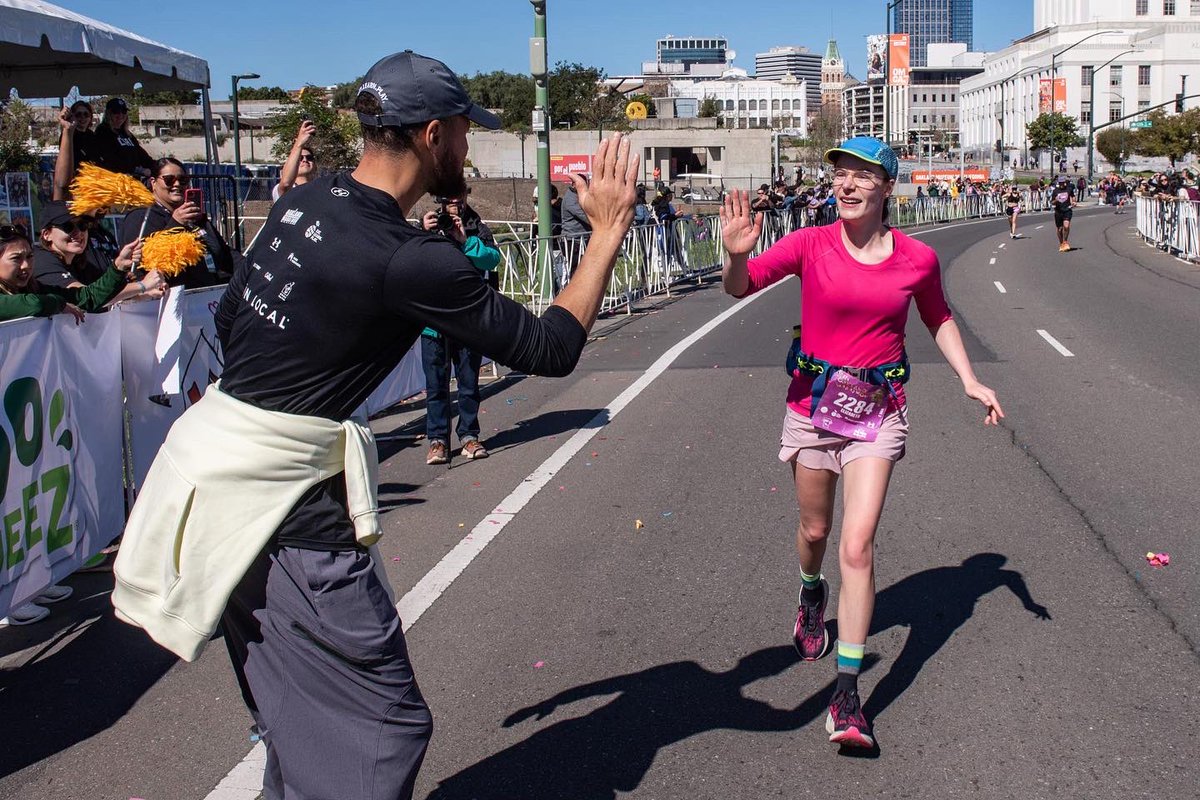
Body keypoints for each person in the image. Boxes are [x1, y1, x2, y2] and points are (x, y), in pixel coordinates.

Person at [111, 50, 639, 800]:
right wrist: (609, 232)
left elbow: (231, 316)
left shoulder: (304, 202)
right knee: (380, 734)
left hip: (207, 483)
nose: (469, 147)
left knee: (301, 723)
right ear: (431, 134)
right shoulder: (410, 258)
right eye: (464, 132)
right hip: (280, 513)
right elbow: (551, 348)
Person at [719, 136, 1003, 750]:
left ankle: (846, 698)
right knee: (817, 532)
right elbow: (740, 287)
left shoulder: (917, 260)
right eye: (840, 174)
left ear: (887, 188)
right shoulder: (811, 243)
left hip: (877, 413)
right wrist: (737, 257)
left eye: (861, 176)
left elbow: (938, 317)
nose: (846, 185)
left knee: (857, 543)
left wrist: (970, 379)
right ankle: (809, 590)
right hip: (814, 407)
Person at [420, 194, 500, 464]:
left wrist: (465, 240)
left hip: (468, 319)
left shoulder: (477, 227)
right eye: (448, 196)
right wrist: (423, 231)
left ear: (465, 196)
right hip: (434, 322)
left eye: (458, 194)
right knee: (436, 386)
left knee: (468, 384)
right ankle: (438, 440)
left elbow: (492, 260)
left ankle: (468, 435)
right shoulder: (430, 226)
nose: (454, 201)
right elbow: (410, 260)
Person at [119, 158, 236, 287]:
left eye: (183, 179)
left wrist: (251, 269)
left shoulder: (193, 214)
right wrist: (176, 223)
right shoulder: (141, 217)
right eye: (169, 180)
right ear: (153, 183)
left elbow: (225, 253)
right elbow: (145, 264)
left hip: (209, 294)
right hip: (169, 297)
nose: (177, 184)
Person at [33, 201, 165, 305]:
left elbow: (104, 296)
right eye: (68, 227)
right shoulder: (41, 260)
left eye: (83, 225)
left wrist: (146, 294)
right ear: (46, 234)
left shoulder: (80, 260)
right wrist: (143, 285)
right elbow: (88, 298)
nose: (78, 233)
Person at [92, 97, 155, 177]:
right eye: (116, 112)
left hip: (136, 175)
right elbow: (110, 159)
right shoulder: (103, 131)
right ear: (108, 113)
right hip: (118, 179)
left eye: (123, 111)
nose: (120, 115)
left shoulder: (127, 134)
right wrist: (139, 170)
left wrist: (157, 166)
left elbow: (141, 154)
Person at [273, 119, 318, 202]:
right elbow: (286, 184)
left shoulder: (321, 189)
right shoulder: (281, 189)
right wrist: (299, 143)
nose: (305, 160)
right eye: (300, 158)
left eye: (309, 158)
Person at [1051, 175, 1076, 252]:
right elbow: (1052, 202)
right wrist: (1056, 200)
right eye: (1060, 183)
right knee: (1059, 229)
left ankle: (1065, 241)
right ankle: (1061, 243)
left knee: (1066, 226)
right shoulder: (1055, 191)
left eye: (1063, 182)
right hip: (1058, 211)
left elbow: (1073, 196)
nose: (1061, 184)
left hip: (1067, 210)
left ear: (1065, 182)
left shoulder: (1069, 189)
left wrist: (1074, 202)